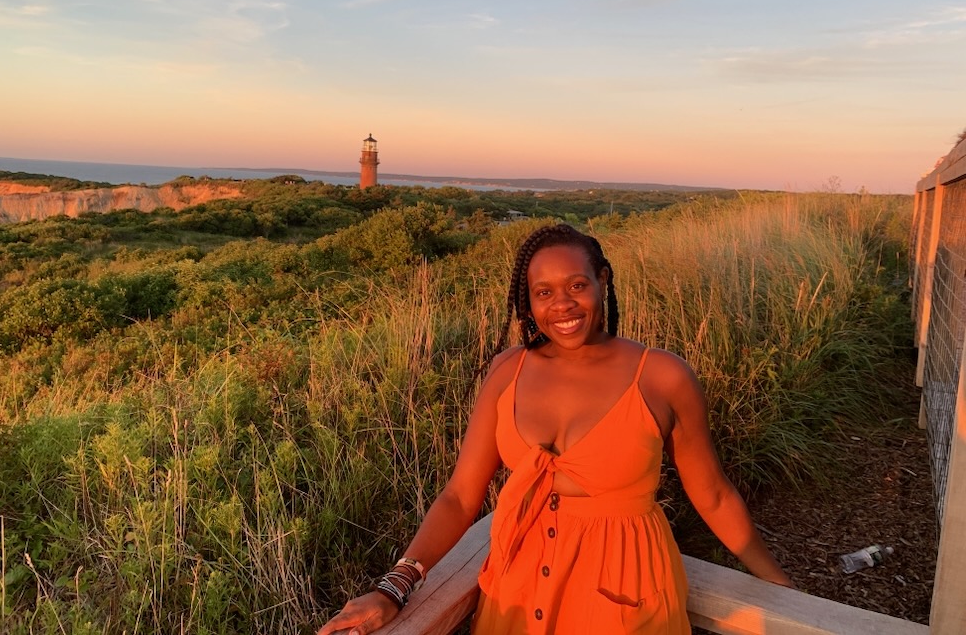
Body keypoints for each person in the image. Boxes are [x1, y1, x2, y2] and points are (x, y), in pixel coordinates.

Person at [318, 224, 792, 635]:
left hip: (624, 594)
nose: (562, 306)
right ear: (529, 301)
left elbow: (713, 496)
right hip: (516, 596)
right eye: (543, 293)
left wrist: (785, 594)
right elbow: (461, 497)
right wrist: (394, 588)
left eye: (577, 286)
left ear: (602, 280)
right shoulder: (508, 371)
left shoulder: (663, 377)